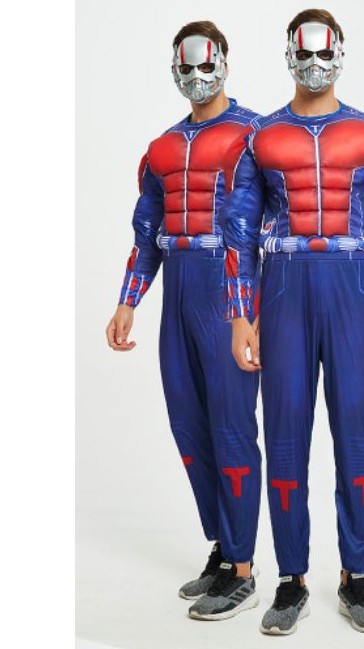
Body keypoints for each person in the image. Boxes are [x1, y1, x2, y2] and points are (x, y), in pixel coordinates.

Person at [221, 8, 364, 635]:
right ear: (288, 55)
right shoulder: (261, 136)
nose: (313, 63)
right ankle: (291, 577)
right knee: (285, 434)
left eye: (323, 52)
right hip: (283, 290)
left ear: (340, 54)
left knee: (357, 434)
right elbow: (239, 231)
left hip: (354, 288)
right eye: (302, 52)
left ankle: (356, 572)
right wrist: (240, 315)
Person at [105, 20, 263, 621]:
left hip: (229, 293)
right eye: (187, 67)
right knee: (189, 428)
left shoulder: (255, 135)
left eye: (206, 64)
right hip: (177, 288)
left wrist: (255, 309)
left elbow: (273, 224)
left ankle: (244, 568)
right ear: (175, 70)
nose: (197, 76)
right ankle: (222, 547)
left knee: (232, 427)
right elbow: (146, 231)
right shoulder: (162, 148)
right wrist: (128, 300)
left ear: (224, 63)